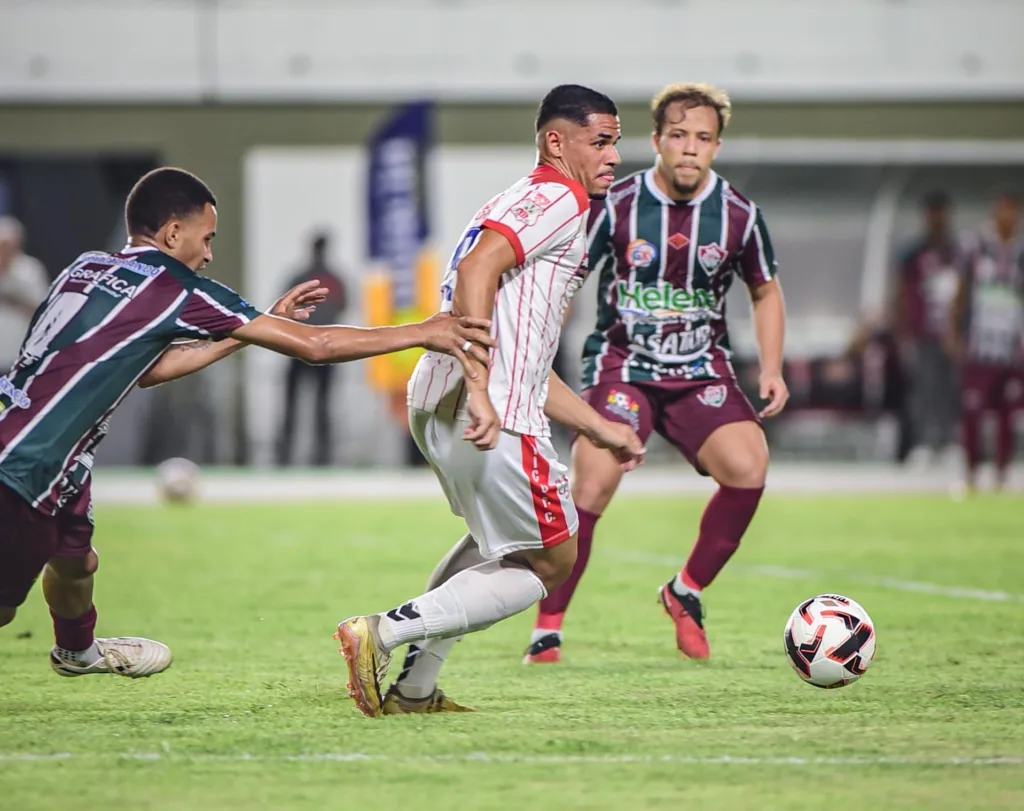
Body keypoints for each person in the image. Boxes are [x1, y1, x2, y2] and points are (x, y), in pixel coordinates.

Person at [0, 166, 495, 679]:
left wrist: (248, 331)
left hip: (39, 437)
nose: (209, 252)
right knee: (5, 608)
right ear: (174, 233)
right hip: (31, 462)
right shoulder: (177, 286)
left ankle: (78, 652)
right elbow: (317, 346)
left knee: (78, 561)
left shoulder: (86, 267)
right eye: (206, 237)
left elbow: (148, 369)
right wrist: (422, 331)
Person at [334, 85, 646, 717]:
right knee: (555, 560)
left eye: (616, 141)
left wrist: (599, 427)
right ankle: (382, 631)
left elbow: (524, 350)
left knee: (497, 547)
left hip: (448, 398)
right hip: (490, 409)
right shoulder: (558, 196)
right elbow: (477, 272)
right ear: (556, 142)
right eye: (602, 141)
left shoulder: (519, 198)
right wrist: (480, 390)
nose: (614, 154)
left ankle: (415, 692)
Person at [522, 82, 788, 665]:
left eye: (703, 138)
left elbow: (765, 292)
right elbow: (569, 278)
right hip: (624, 367)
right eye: (678, 136)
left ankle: (685, 591)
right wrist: (541, 347)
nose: (690, 149)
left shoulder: (740, 215)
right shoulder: (615, 204)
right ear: (657, 141)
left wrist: (772, 368)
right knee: (592, 481)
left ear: (717, 146)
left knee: (749, 466)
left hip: (700, 370)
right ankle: (548, 626)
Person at [947, 187, 1024, 492]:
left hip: (1012, 348)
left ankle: (1002, 474)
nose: (1009, 216)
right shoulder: (975, 247)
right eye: (1004, 209)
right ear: (995, 213)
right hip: (979, 346)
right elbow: (960, 291)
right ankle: (970, 473)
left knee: (1008, 412)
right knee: (973, 411)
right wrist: (952, 332)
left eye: (1014, 211)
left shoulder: (1020, 253)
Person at [894, 191, 960, 466]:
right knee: (922, 388)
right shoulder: (913, 254)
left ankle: (950, 442)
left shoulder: (958, 252)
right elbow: (901, 295)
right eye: (932, 212)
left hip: (952, 335)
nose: (936, 218)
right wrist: (902, 333)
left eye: (940, 212)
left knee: (951, 388)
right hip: (922, 333)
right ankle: (923, 443)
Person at [276, 232, 348, 466]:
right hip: (322, 348)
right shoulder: (333, 279)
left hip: (299, 346)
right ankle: (318, 457)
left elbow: (281, 309)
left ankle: (290, 456)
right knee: (318, 407)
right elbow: (343, 307)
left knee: (300, 406)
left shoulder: (302, 278)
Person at [0, 216, 50, 372]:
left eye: (7, 245)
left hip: (16, 356)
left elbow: (43, 312)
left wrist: (14, 299)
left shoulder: (30, 270)